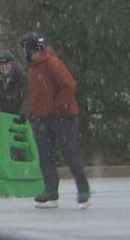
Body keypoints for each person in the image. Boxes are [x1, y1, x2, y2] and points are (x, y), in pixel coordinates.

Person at [21, 32, 90, 209]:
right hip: (43, 118)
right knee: (45, 154)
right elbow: (36, 94)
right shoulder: (34, 67)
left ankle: (83, 189)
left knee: (68, 150)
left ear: (32, 49)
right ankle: (50, 190)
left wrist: (56, 107)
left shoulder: (52, 63)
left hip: (64, 116)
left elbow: (68, 86)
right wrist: (33, 111)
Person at [0, 50, 28, 117]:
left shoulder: (21, 76)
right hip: (6, 116)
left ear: (12, 64)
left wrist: (23, 113)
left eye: (6, 64)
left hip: (22, 116)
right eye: (1, 64)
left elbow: (27, 97)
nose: (4, 67)